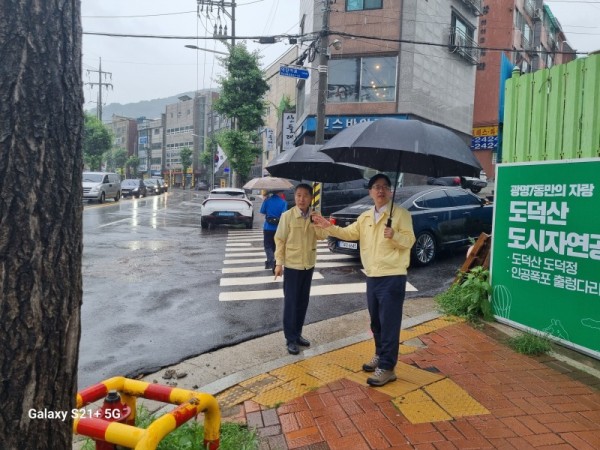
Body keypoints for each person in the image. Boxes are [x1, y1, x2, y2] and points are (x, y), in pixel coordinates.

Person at [312, 174, 415, 387]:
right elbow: (348, 233)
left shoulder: (401, 214)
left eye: (385, 187)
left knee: (389, 324)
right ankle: (379, 354)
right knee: (376, 321)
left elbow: (410, 241)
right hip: (372, 276)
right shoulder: (366, 217)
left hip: (392, 276)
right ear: (370, 192)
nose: (381, 191)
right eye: (377, 187)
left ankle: (387, 367)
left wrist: (394, 234)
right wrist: (326, 226)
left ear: (390, 192)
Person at [274, 184, 328, 355]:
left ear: (311, 198)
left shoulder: (315, 216)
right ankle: (290, 339)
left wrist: (318, 223)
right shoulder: (287, 216)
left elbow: (322, 237)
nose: (301, 199)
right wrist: (278, 263)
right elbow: (280, 240)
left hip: (308, 265)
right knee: (291, 303)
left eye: (305, 195)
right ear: (295, 197)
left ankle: (297, 335)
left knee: (302, 303)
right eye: (298, 195)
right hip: (292, 266)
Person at [259, 191, 287, 270]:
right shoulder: (283, 202)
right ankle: (273, 262)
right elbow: (284, 214)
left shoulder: (267, 201)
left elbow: (262, 211)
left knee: (268, 246)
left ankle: (271, 261)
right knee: (276, 246)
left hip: (268, 227)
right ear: (279, 193)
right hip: (278, 228)